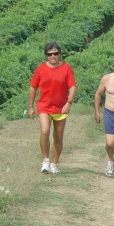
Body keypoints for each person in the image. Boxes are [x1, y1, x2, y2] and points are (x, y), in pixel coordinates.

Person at [28, 42, 76, 174]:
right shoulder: (41, 69)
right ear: (46, 56)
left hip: (61, 108)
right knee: (45, 131)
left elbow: (72, 87)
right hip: (44, 106)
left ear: (60, 54)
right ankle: (45, 161)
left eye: (55, 53)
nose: (53, 56)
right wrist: (31, 106)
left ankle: (54, 164)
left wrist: (69, 103)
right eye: (50, 54)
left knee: (58, 137)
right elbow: (33, 87)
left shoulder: (67, 68)